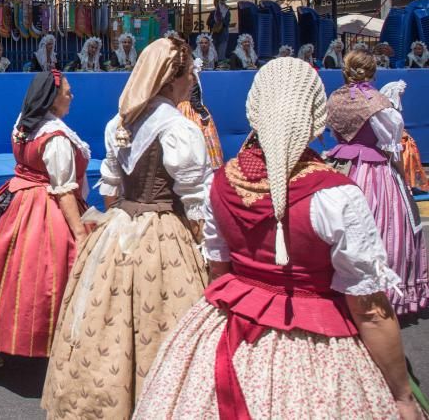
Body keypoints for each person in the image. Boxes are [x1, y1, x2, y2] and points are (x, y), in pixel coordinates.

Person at [133, 58, 419, 420]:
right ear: (315, 119)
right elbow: (370, 311)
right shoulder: (336, 196)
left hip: (233, 328)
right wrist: (402, 395)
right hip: (316, 343)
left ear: (255, 111)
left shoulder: (222, 182)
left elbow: (219, 271)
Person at [42, 37, 211, 420]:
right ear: (171, 80)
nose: (192, 82)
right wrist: (204, 250)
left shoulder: (120, 123)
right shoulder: (180, 129)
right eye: (188, 75)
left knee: (108, 326)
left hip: (121, 228)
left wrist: (123, 228)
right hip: (166, 232)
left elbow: (111, 191)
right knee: (166, 325)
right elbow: (197, 202)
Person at [0, 71, 89, 367]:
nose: (71, 96)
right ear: (52, 99)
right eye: (67, 92)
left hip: (13, 199)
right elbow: (64, 190)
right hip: (41, 207)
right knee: (48, 275)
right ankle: (54, 339)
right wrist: (81, 232)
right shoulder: (56, 138)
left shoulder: (24, 123)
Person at [326, 50, 429, 315]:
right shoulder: (377, 101)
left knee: (337, 226)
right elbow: (391, 143)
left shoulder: (335, 98)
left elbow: (332, 128)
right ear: (373, 72)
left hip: (341, 167)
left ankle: (340, 290)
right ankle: (380, 293)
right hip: (373, 170)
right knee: (385, 225)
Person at [381, 80, 429, 194]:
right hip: (388, 141)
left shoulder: (392, 109)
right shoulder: (387, 110)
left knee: (409, 144)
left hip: (395, 137)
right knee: (406, 146)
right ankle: (403, 179)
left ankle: (408, 180)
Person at [178, 58, 225, 170]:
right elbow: (194, 99)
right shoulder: (192, 79)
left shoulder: (182, 80)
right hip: (191, 110)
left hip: (181, 108)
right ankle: (206, 163)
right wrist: (204, 113)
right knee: (203, 134)